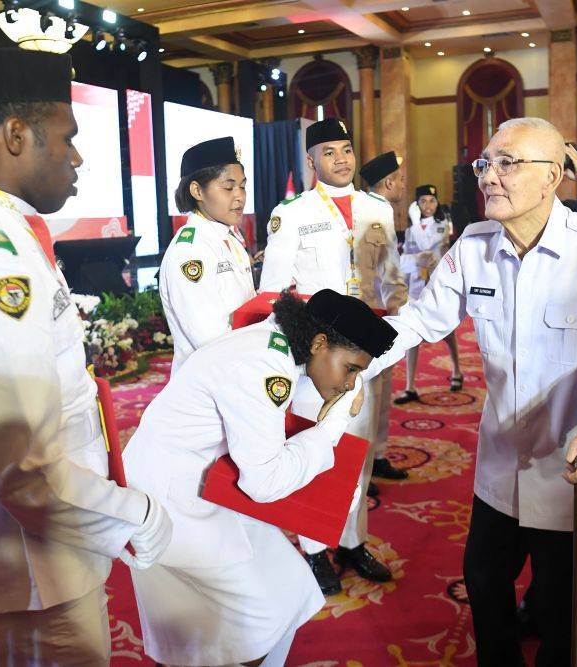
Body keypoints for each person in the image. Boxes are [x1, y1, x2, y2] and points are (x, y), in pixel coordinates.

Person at [0, 49, 172, 664]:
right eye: (68, 137)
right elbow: (28, 474)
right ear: (16, 135)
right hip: (24, 570)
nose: (77, 157)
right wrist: (139, 516)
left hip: (41, 550)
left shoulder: (5, 239)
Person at [357, 117, 577, 666]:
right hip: (498, 462)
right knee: (485, 582)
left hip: (570, 463)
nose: (489, 176)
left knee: (564, 608)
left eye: (507, 163)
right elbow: (421, 320)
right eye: (484, 164)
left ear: (553, 176)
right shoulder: (474, 244)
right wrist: (352, 354)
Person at [122, 289, 397, 667]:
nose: (351, 384)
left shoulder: (279, 345)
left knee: (288, 588)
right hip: (170, 499)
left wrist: (338, 398)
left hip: (202, 483)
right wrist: (332, 426)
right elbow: (264, 481)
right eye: (351, 369)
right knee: (256, 622)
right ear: (319, 342)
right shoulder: (265, 366)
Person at [259, 118, 407, 593]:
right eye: (329, 152)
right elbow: (274, 293)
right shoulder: (293, 213)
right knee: (315, 448)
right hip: (317, 356)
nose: (341, 159)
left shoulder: (376, 208)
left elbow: (391, 275)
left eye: (347, 149)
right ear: (311, 161)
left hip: (366, 350)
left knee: (358, 452)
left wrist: (399, 321)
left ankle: (352, 540)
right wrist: (297, 355)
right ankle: (314, 548)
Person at [161, 136, 255, 373]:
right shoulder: (189, 251)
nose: (240, 196)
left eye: (242, 186)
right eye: (228, 187)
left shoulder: (229, 239)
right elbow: (209, 340)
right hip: (209, 386)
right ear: (197, 191)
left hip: (243, 370)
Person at [357, 151, 410, 482]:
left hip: (361, 311)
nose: (403, 185)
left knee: (368, 391)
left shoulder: (359, 205)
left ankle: (369, 463)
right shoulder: (378, 209)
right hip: (375, 313)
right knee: (373, 391)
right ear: (389, 182)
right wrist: (400, 305)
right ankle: (367, 464)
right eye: (401, 179)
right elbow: (390, 267)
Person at [395, 183, 463, 403]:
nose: (428, 205)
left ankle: (456, 370)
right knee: (413, 334)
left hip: (437, 286)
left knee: (447, 332)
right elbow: (407, 257)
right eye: (423, 201)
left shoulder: (444, 224)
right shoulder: (410, 230)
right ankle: (410, 386)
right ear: (417, 204)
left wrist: (416, 223)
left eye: (432, 200)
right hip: (416, 285)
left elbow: (427, 247)